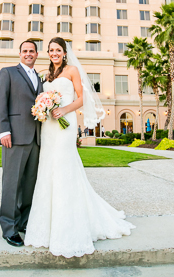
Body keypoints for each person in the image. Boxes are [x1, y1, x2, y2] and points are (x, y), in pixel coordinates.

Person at [24, 37, 134, 258]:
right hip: (49, 127)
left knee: (65, 169)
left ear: (64, 52)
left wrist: (64, 110)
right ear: (48, 53)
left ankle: (67, 227)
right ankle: (46, 227)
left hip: (65, 125)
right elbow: (43, 97)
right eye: (51, 50)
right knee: (48, 169)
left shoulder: (73, 70)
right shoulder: (47, 76)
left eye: (58, 50)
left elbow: (83, 98)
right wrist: (43, 109)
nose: (54, 53)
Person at [0, 40, 43, 247]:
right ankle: (9, 228)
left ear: (36, 54)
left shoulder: (39, 77)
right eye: (25, 51)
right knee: (12, 183)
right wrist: (3, 130)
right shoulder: (7, 73)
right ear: (19, 53)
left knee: (29, 184)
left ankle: (23, 222)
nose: (28, 54)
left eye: (32, 51)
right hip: (13, 137)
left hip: (35, 139)